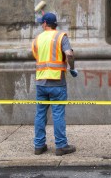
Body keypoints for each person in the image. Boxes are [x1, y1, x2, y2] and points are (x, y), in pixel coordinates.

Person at [31, 12, 78, 156]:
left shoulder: (37, 39)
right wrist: (72, 68)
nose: (41, 25)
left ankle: (39, 146)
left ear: (45, 23)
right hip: (57, 82)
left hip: (41, 82)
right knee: (58, 114)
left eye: (42, 23)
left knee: (40, 114)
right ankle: (61, 146)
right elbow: (69, 54)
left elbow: (35, 55)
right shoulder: (60, 36)